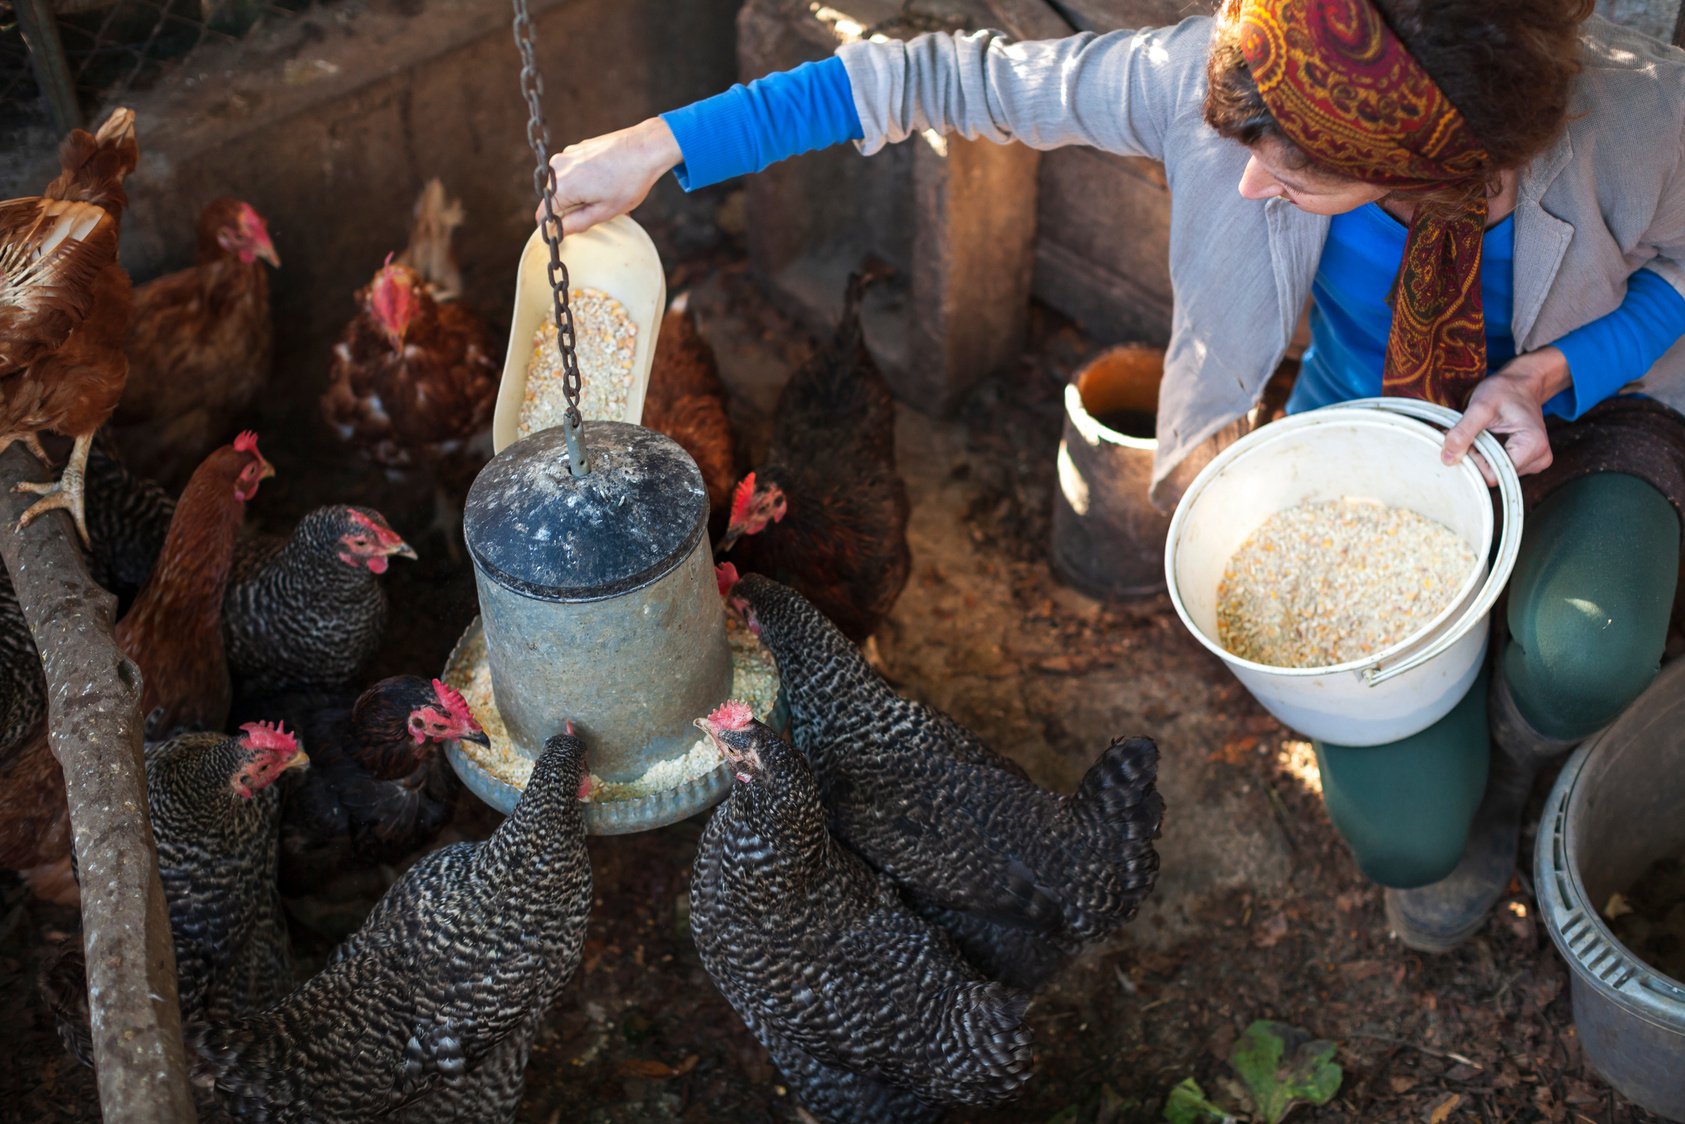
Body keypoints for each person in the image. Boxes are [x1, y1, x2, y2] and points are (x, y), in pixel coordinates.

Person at [537, 0, 1685, 952]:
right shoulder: (1222, 71)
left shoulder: (1630, 117)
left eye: (1298, 173)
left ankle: (1516, 747)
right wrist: (668, 142)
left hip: (1584, 420)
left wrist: (1562, 369)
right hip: (1372, 431)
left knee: (1587, 646)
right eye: (1244, 146)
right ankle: (1458, 779)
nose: (1244, 186)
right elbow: (936, 81)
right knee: (1404, 847)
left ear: (1423, 159)